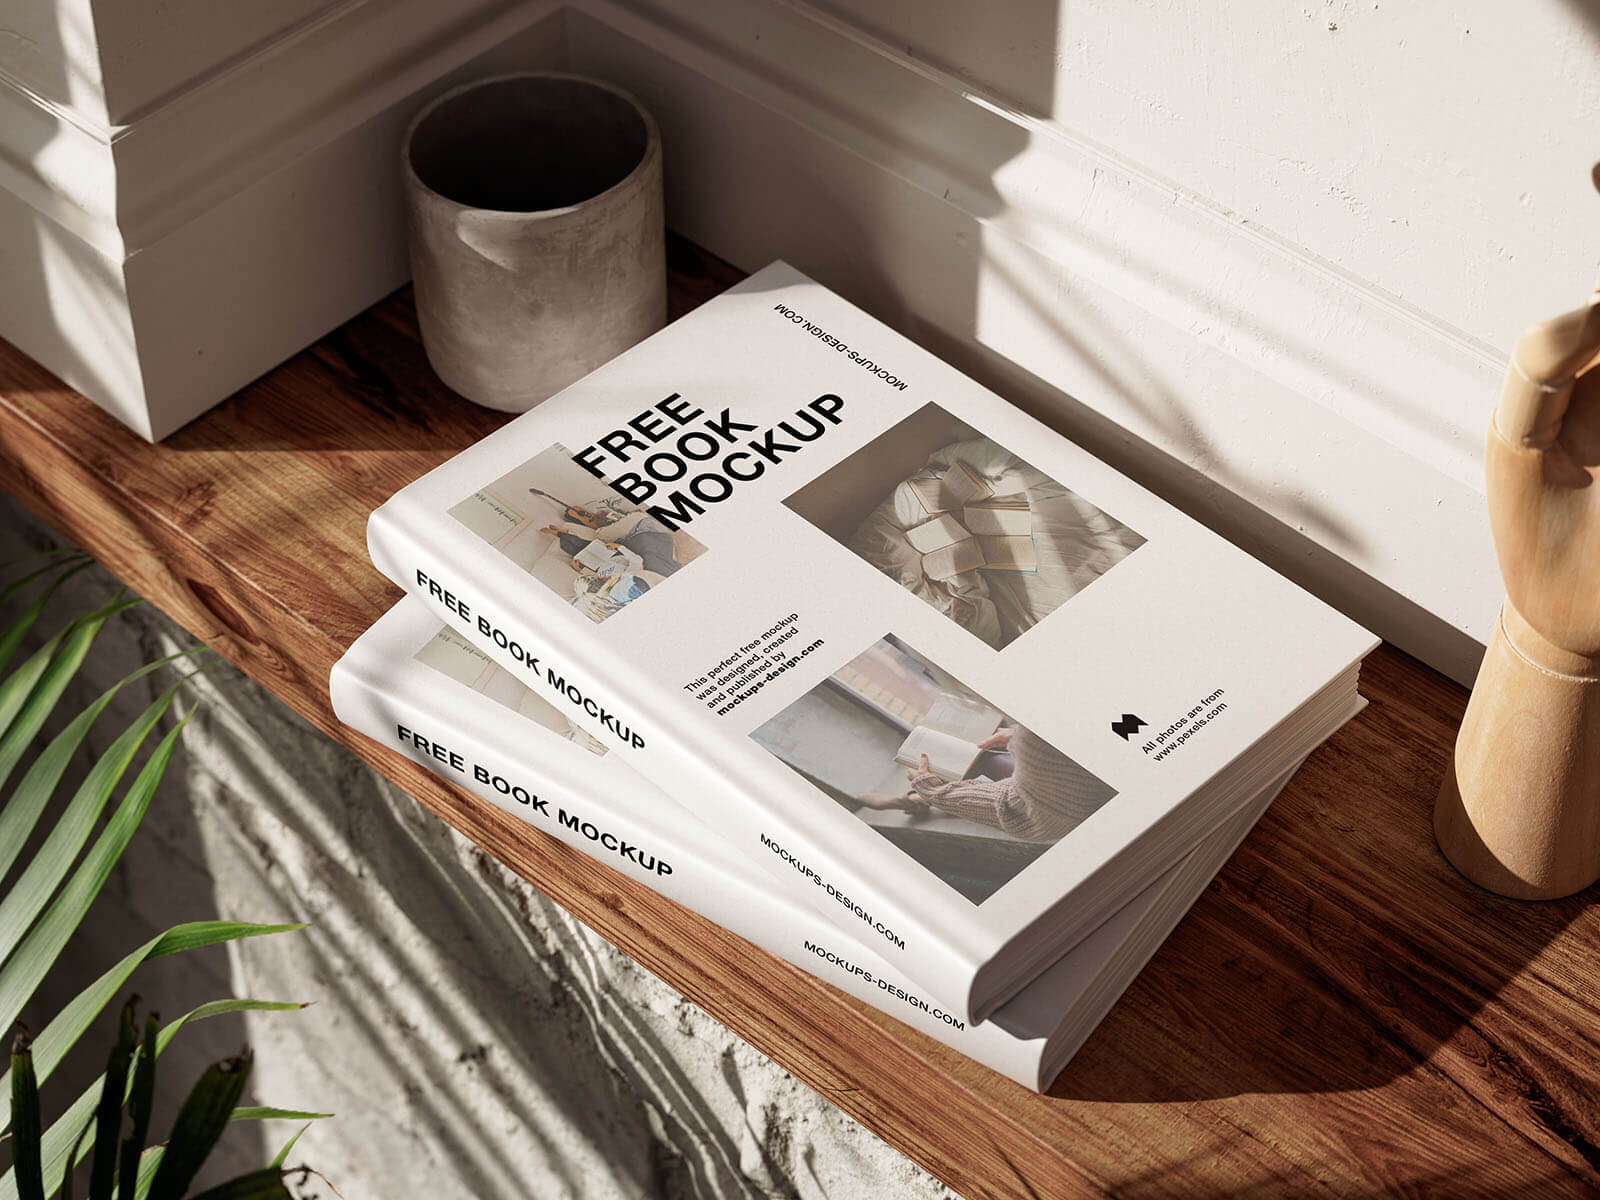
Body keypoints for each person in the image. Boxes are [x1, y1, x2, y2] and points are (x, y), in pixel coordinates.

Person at [860, 726, 1112, 843]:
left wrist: (935, 791)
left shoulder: (1032, 741)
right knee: (976, 757)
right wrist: (1016, 737)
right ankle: (917, 800)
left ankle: (916, 800)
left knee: (970, 763)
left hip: (1082, 812)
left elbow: (1018, 810)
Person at [531, 488, 686, 576]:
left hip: (641, 533)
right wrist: (619, 548)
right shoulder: (646, 572)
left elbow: (599, 578)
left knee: (594, 543)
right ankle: (564, 532)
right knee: (598, 540)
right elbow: (637, 561)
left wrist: (582, 569)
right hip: (644, 534)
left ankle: (563, 533)